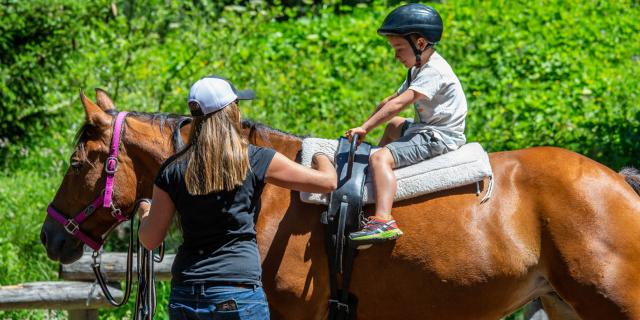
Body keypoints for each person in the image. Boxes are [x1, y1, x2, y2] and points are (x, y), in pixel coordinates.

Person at [137, 76, 337, 319]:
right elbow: (328, 183)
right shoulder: (255, 159)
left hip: (186, 293)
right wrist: (322, 157)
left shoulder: (172, 170)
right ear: (232, 111)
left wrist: (145, 212)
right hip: (237, 291)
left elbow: (149, 240)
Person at [346, 4, 468, 245]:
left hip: (439, 136)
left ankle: (383, 220)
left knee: (381, 159)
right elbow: (389, 101)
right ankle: (372, 167)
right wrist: (365, 124)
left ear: (420, 44)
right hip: (425, 126)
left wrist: (366, 128)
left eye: (399, 48)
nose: (396, 55)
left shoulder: (435, 71)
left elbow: (401, 102)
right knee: (392, 126)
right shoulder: (418, 68)